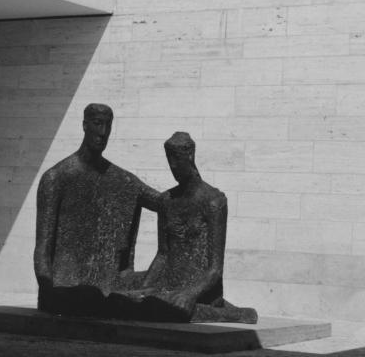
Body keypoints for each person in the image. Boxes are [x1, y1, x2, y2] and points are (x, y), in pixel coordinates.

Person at [109, 132, 257, 323]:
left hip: (200, 294)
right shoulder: (166, 201)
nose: (172, 165)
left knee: (167, 309)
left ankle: (234, 313)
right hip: (168, 287)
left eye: (176, 159)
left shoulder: (213, 201)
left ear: (190, 156)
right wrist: (142, 290)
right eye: (169, 159)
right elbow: (162, 254)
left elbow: (215, 270)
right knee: (118, 301)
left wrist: (191, 294)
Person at [34, 103, 158, 314]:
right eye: (97, 124)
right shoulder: (57, 178)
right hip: (69, 289)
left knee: (169, 291)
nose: (102, 132)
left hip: (110, 287)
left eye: (107, 126)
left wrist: (197, 186)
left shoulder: (121, 179)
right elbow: (42, 249)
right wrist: (48, 291)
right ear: (85, 125)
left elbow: (163, 203)